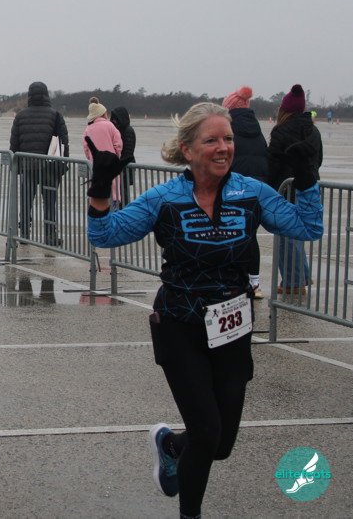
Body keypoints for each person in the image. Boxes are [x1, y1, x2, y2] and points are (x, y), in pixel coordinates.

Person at [86, 102, 322, 519]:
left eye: (228, 139)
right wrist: (100, 188)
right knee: (207, 430)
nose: (223, 147)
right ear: (188, 149)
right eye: (211, 140)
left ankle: (171, 446)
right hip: (180, 325)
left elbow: (307, 227)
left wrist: (307, 180)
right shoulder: (165, 198)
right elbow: (105, 235)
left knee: (221, 444)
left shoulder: (252, 193)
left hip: (233, 327)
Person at [267, 85, 323, 295]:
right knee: (300, 231)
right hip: (309, 186)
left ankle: (294, 281)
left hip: (286, 188)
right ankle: (302, 274)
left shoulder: (281, 131)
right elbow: (319, 159)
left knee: (286, 235)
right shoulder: (314, 130)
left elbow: (272, 162)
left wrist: (269, 185)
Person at [222, 86, 269, 298]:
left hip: (232, 189)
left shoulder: (229, 131)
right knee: (250, 236)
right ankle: (255, 282)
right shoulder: (258, 132)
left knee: (228, 236)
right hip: (256, 190)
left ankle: (232, 281)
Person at [8, 81, 69, 246]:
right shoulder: (55, 115)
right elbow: (63, 142)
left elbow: (14, 143)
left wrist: (16, 165)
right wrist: (63, 165)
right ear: (46, 94)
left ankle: (24, 233)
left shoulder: (21, 116)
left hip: (28, 165)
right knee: (49, 202)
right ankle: (49, 234)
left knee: (26, 201)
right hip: (49, 167)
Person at [82, 97, 123, 209]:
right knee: (113, 195)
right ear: (103, 114)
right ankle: (113, 211)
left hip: (96, 167)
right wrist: (116, 156)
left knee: (97, 197)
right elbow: (118, 144)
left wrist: (91, 158)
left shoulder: (88, 129)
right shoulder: (110, 126)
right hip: (111, 167)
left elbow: (86, 148)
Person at [110, 106, 137, 205]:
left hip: (125, 169)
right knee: (119, 193)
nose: (113, 121)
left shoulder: (128, 131)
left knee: (123, 193)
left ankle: (123, 211)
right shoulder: (118, 130)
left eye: (115, 119)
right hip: (120, 168)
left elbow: (128, 152)